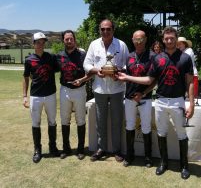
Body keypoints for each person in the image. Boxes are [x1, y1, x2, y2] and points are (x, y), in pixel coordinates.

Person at [116, 26, 194, 179]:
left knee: (182, 133)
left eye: (172, 38)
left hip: (178, 100)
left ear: (176, 39)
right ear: (163, 40)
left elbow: (190, 83)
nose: (169, 40)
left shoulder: (185, 58)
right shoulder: (158, 58)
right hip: (160, 100)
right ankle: (163, 163)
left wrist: (191, 104)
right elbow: (149, 80)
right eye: (166, 38)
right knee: (161, 132)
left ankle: (184, 165)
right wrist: (127, 78)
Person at [83, 19, 129, 162]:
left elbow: (129, 64)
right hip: (99, 88)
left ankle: (116, 150)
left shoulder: (121, 45)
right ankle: (101, 148)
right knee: (100, 120)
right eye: (103, 29)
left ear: (113, 30)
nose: (105, 31)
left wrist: (119, 73)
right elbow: (86, 63)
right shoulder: (94, 44)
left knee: (117, 120)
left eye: (108, 29)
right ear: (99, 30)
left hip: (117, 88)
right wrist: (97, 71)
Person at [23, 32, 59, 163]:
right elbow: (26, 77)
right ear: (33, 44)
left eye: (43, 42)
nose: (41, 44)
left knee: (52, 121)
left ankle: (53, 147)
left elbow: (59, 68)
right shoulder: (28, 60)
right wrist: (24, 96)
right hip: (35, 97)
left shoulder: (51, 57)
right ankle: (37, 150)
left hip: (50, 94)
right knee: (35, 123)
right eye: (38, 42)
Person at [56, 30, 91, 160]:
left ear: (74, 40)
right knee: (65, 120)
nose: (69, 41)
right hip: (65, 90)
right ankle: (66, 148)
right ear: (63, 41)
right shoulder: (59, 56)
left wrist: (82, 80)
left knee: (81, 120)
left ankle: (81, 149)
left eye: (71, 39)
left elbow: (90, 73)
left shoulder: (83, 55)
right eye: (66, 39)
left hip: (79, 90)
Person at [123, 30, 156, 168]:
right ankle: (130, 155)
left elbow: (154, 81)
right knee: (129, 125)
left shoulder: (153, 56)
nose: (138, 42)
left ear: (146, 39)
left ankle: (148, 157)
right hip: (129, 97)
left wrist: (143, 93)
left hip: (145, 97)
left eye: (141, 39)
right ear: (132, 39)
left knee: (146, 127)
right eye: (136, 39)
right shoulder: (129, 56)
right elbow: (126, 76)